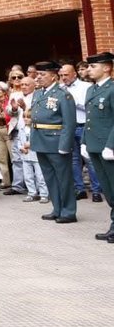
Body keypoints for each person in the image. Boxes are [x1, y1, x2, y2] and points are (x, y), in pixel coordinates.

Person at [30, 61, 78, 223]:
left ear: (53, 76)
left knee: (64, 178)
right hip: (40, 140)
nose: (38, 77)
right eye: (37, 74)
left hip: (56, 141)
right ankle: (57, 208)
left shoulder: (62, 94)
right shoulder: (38, 93)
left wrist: (65, 145)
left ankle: (68, 211)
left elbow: (69, 122)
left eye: (42, 74)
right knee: (49, 177)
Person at [82, 52, 114, 241]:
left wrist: (111, 145)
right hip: (95, 146)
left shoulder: (112, 89)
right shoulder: (91, 90)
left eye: (93, 66)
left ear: (107, 68)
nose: (89, 70)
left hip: (108, 148)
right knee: (108, 189)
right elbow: (89, 119)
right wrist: (84, 141)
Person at [61, 62, 101, 202]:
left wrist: (73, 101)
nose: (64, 78)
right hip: (69, 127)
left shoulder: (86, 86)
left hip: (84, 125)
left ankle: (96, 190)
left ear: (74, 74)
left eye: (66, 75)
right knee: (74, 159)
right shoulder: (61, 88)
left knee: (89, 159)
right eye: (61, 75)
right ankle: (80, 189)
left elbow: (90, 107)